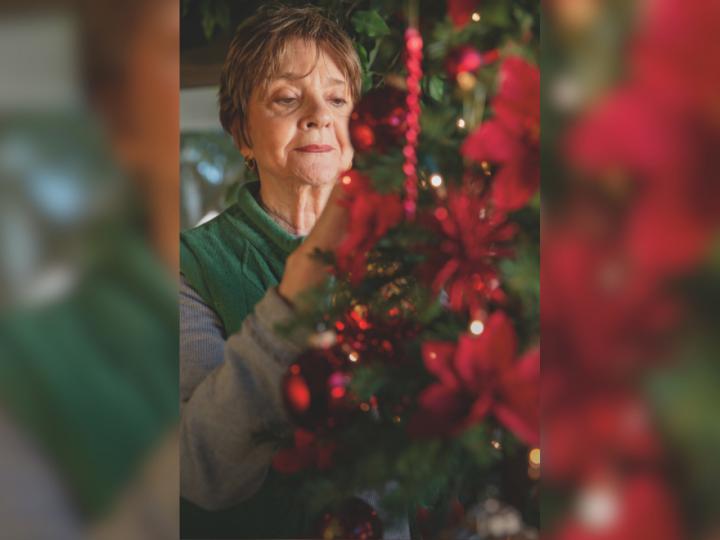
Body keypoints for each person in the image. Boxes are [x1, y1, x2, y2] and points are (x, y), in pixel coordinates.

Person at [179, 5, 410, 538]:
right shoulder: (189, 265)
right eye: (286, 98)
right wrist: (293, 302)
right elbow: (201, 469)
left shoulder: (405, 255)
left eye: (337, 98)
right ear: (240, 133)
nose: (319, 114)